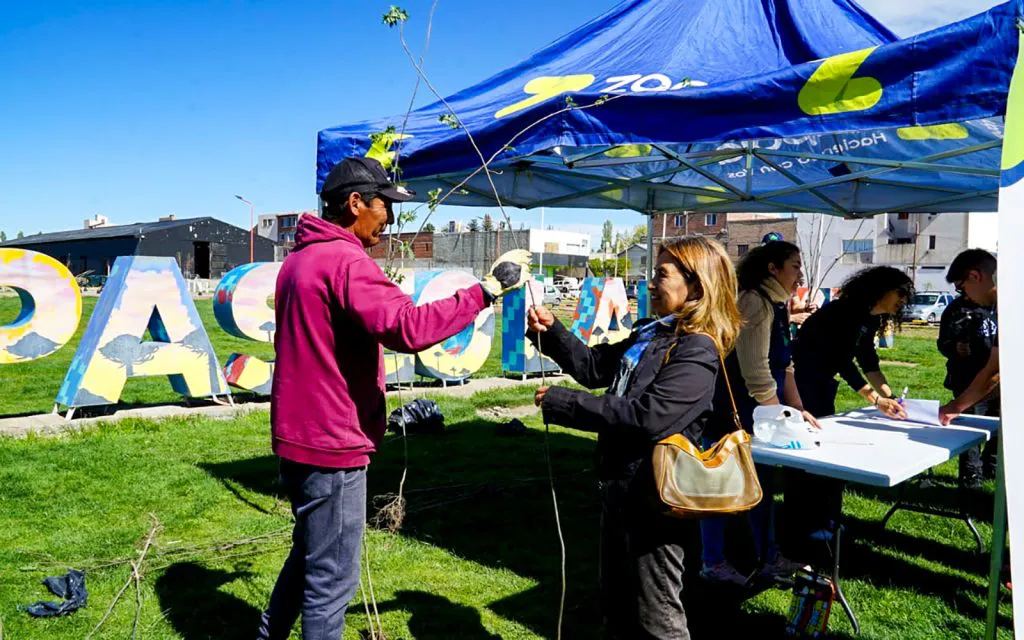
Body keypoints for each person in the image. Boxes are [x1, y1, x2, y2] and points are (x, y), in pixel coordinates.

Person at [256, 156, 531, 640]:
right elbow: (409, 328)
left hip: (297, 438)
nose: (390, 218)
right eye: (385, 205)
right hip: (333, 443)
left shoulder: (299, 259)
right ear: (355, 202)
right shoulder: (344, 261)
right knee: (330, 581)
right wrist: (487, 290)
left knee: (308, 557)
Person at [528, 236, 742, 639]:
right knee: (619, 603)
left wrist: (568, 405)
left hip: (657, 501)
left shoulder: (697, 349)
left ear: (696, 287)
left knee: (657, 616)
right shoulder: (653, 332)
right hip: (622, 488)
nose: (650, 283)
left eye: (661, 275)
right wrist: (552, 333)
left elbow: (650, 418)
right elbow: (595, 368)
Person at [699, 241, 818, 585]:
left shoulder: (777, 305)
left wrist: (797, 409)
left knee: (762, 488)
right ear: (772, 268)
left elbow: (786, 365)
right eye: (794, 266)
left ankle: (768, 556)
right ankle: (713, 561)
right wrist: (781, 416)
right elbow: (755, 372)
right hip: (734, 412)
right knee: (719, 486)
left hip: (763, 414)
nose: (800, 275)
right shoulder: (754, 301)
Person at [787, 266, 912, 541]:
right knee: (807, 456)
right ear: (881, 290)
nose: (903, 300)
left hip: (822, 384)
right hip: (802, 385)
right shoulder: (843, 314)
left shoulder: (869, 319)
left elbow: (868, 360)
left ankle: (825, 518)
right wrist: (876, 400)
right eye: (900, 292)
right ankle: (805, 523)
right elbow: (845, 364)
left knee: (822, 452)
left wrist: (890, 396)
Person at [937, 274, 998, 488]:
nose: (965, 294)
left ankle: (993, 467)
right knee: (969, 431)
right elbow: (942, 342)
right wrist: (954, 348)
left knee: (998, 429)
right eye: (960, 290)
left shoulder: (998, 306)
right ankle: (971, 476)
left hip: (997, 382)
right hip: (967, 381)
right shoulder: (955, 310)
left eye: (965, 287)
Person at [939, 249, 999, 427]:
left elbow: (994, 371)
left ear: (974, 276)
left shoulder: (1013, 306)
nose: (965, 296)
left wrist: (955, 407)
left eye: (961, 288)